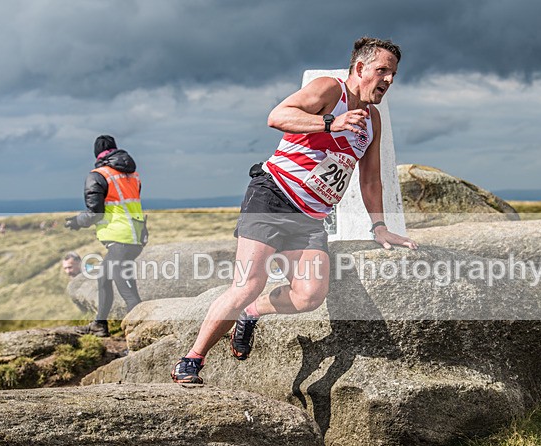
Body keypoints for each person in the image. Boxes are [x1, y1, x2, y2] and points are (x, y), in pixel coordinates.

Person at [171, 37, 417, 384]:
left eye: (393, 74)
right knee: (248, 284)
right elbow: (278, 116)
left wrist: (379, 227)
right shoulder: (329, 90)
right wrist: (332, 123)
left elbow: (371, 179)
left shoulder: (373, 120)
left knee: (309, 296)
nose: (389, 80)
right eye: (383, 71)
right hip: (272, 197)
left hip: (310, 217)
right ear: (360, 68)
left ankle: (252, 314)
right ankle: (192, 359)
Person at [65, 135, 147, 337]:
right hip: (136, 235)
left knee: (128, 292)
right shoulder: (132, 175)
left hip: (120, 238)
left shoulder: (98, 175)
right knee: (103, 277)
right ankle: (99, 325)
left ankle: (139, 337)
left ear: (96, 154)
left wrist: (76, 221)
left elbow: (95, 212)